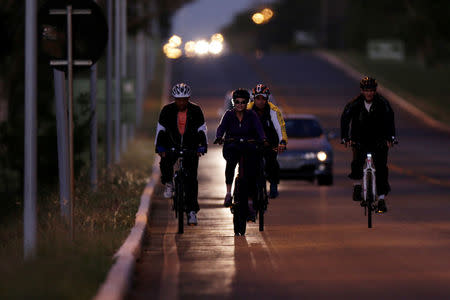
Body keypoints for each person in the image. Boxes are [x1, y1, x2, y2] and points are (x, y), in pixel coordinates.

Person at [340, 76, 397, 213]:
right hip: (359, 139)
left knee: (382, 169)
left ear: (375, 91)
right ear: (362, 91)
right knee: (357, 162)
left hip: (379, 141)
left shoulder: (383, 103)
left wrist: (391, 137)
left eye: (372, 90)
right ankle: (357, 185)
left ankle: (382, 199)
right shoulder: (354, 103)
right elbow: (345, 118)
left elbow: (390, 119)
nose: (369, 93)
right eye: (366, 90)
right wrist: (345, 137)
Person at [155, 83, 207, 225]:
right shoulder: (167, 110)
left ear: (188, 98)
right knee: (165, 162)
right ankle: (169, 183)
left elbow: (202, 130)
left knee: (191, 180)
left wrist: (202, 147)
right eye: (178, 99)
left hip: (191, 147)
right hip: (172, 145)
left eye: (184, 99)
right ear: (174, 99)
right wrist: (159, 147)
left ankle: (191, 212)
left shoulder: (196, 110)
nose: (181, 102)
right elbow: (160, 130)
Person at [214, 88, 266, 220]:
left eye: (243, 102)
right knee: (230, 164)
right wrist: (219, 137)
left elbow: (259, 128)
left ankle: (250, 201)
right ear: (233, 102)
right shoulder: (228, 115)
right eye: (237, 102)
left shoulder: (252, 115)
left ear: (247, 103)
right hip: (232, 146)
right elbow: (221, 127)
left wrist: (263, 139)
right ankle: (228, 193)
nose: (240, 105)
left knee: (252, 171)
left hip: (249, 146)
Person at [248, 84, 288, 198]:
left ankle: (274, 184)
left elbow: (280, 127)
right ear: (253, 98)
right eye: (258, 98)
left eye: (263, 99)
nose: (260, 101)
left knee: (271, 160)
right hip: (253, 141)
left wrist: (282, 141)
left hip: (270, 141)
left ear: (267, 99)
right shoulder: (247, 110)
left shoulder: (274, 110)